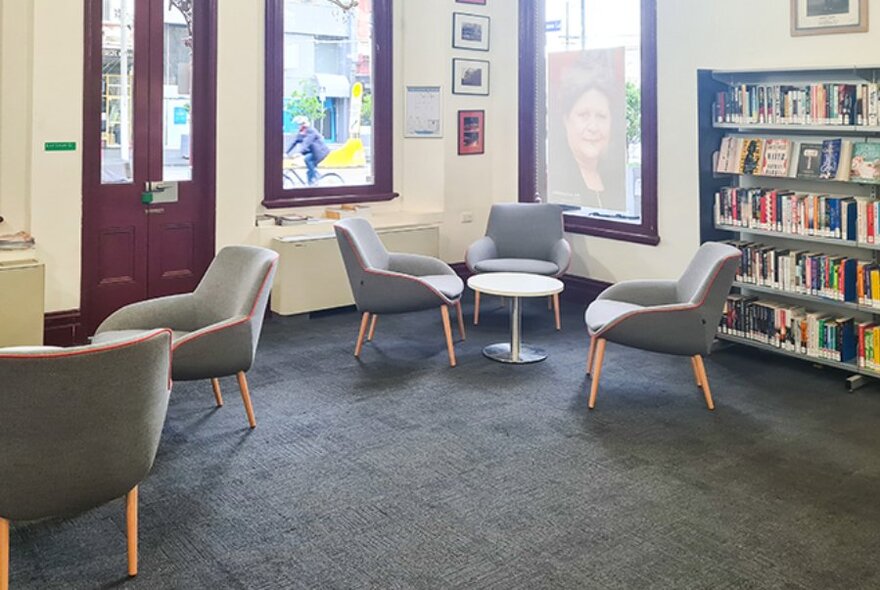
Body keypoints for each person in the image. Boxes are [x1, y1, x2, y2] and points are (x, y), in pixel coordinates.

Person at [547, 48, 628, 212]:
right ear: (566, 120)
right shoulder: (560, 181)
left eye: (601, 116)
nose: (593, 127)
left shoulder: (614, 180)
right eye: (583, 115)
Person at [286, 116, 331, 185]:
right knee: (309, 171)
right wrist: (286, 152)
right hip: (314, 152)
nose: (298, 126)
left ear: (303, 124)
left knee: (307, 159)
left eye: (299, 124)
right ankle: (311, 184)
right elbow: (294, 142)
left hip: (321, 152)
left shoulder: (311, 131)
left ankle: (315, 177)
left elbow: (307, 142)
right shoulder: (302, 132)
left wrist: (299, 152)